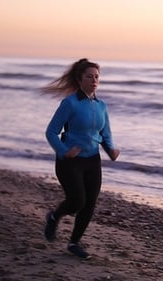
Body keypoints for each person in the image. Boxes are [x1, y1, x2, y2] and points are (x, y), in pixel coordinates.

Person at [41, 58, 120, 260]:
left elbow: (105, 132)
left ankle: (74, 243)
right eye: (89, 76)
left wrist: (110, 149)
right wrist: (63, 150)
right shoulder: (70, 103)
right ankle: (54, 216)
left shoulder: (101, 105)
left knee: (90, 204)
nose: (94, 80)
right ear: (79, 79)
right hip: (70, 161)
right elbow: (51, 132)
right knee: (77, 201)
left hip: (93, 160)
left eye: (97, 77)